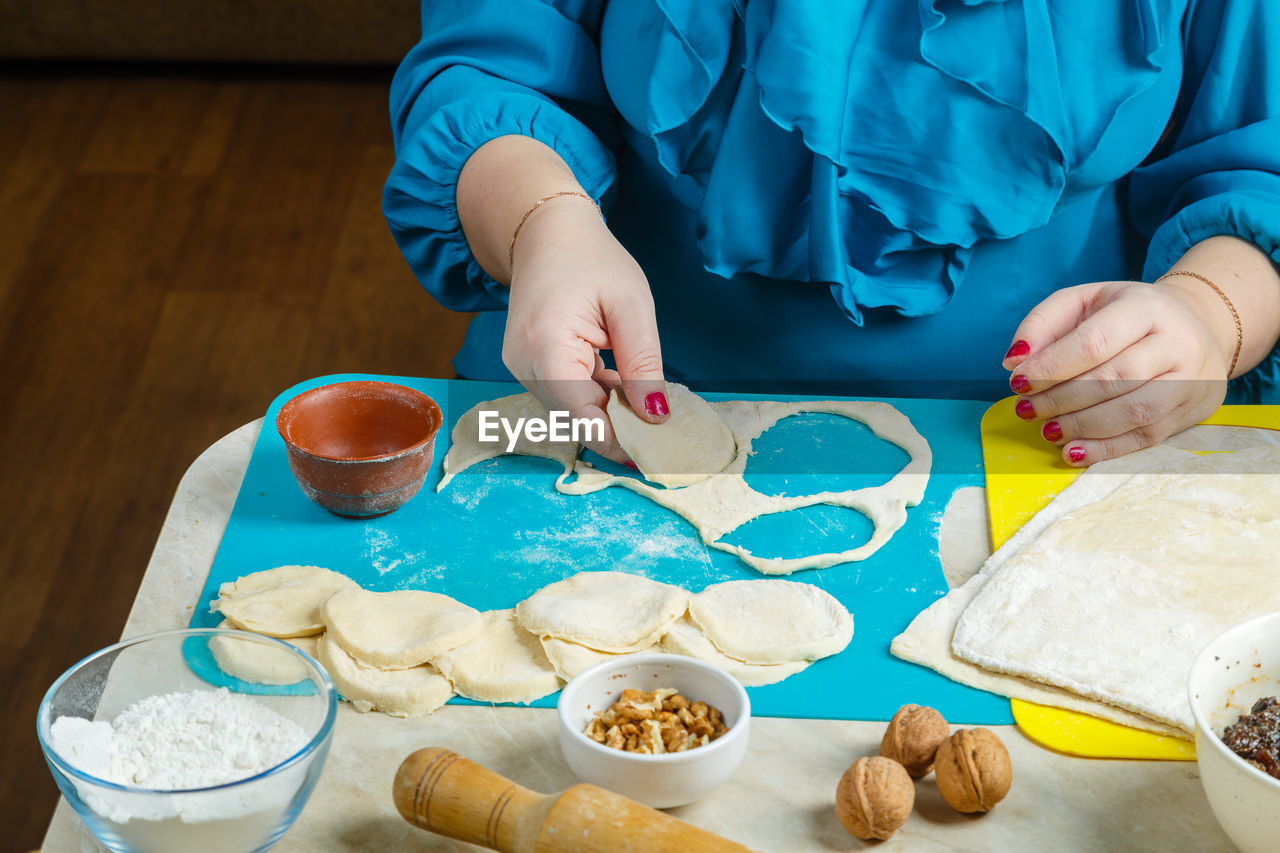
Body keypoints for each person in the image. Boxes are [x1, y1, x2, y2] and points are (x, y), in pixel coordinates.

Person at [383, 0, 1280, 466]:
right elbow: (483, 68)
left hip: (1054, 443)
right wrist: (545, 221)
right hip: (588, 416)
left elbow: (1255, 162)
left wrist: (1206, 317)